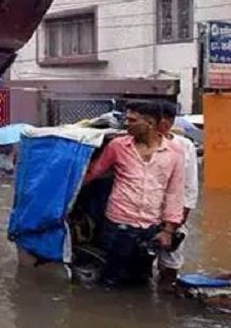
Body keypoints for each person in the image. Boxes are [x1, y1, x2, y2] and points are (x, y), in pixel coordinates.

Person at [83, 100, 185, 286]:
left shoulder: (174, 152)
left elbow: (175, 193)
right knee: (110, 278)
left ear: (150, 123)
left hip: (151, 226)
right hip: (117, 223)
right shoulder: (117, 146)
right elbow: (92, 173)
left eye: (132, 120)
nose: (126, 124)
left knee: (141, 279)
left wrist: (168, 230)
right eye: (126, 119)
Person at [154, 101, 199, 288]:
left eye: (167, 120)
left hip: (174, 213)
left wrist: (178, 220)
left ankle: (166, 296)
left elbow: (190, 185)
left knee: (171, 260)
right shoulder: (136, 143)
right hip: (143, 211)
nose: (162, 125)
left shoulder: (184, 146)